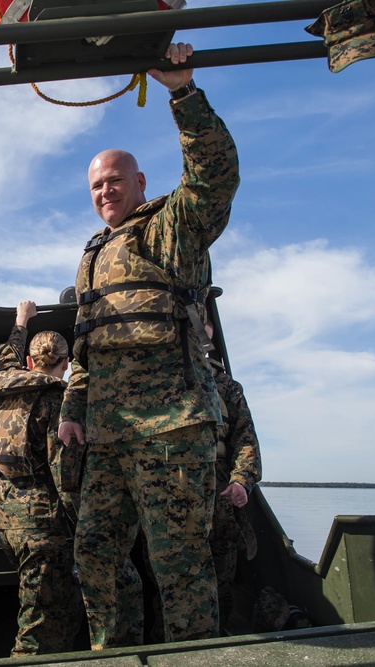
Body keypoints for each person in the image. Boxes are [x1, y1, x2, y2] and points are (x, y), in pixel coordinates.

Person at [57, 41, 240, 647]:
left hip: (170, 430)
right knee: (96, 557)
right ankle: (117, 653)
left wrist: (182, 93)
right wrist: (71, 409)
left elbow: (213, 178)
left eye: (115, 181)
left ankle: (197, 661)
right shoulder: (89, 258)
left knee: (181, 568)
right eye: (96, 186)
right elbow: (85, 350)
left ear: (140, 181)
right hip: (108, 437)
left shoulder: (170, 229)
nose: (105, 191)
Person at [0, 300, 85, 656]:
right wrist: (84, 525)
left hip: (3, 519)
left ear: (29, 361)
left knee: (56, 605)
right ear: (67, 364)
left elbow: (5, 358)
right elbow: (66, 475)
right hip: (45, 527)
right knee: (41, 622)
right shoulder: (57, 401)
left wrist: (20, 322)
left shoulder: (0, 385)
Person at [204, 315, 261, 631]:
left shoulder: (226, 385)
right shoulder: (153, 377)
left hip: (220, 498)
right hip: (165, 496)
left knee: (220, 580)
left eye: (205, 325)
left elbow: (245, 438)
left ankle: (219, 646)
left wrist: (242, 480)